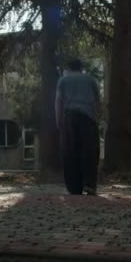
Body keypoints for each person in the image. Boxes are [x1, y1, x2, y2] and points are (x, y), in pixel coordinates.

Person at [55, 58, 101, 195]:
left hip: (70, 117)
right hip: (89, 118)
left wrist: (58, 120)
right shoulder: (91, 80)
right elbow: (98, 100)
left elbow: (58, 101)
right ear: (81, 68)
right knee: (89, 152)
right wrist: (97, 117)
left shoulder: (63, 80)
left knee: (70, 152)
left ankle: (74, 187)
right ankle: (90, 184)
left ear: (68, 68)